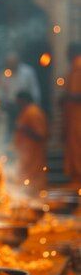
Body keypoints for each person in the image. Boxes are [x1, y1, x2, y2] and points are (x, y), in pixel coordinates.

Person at [0, 53, 41, 137]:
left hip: (25, 107)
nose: (11, 66)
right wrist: (1, 103)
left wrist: (35, 105)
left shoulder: (27, 72)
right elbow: (0, 91)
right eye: (9, 64)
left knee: (26, 129)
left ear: (18, 62)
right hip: (10, 107)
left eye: (13, 64)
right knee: (12, 130)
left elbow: (34, 89)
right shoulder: (4, 74)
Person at [14, 90, 48, 193]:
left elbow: (40, 135)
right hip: (26, 155)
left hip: (33, 155)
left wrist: (25, 129)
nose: (17, 105)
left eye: (18, 101)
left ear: (23, 100)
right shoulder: (26, 112)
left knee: (34, 182)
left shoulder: (33, 112)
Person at [64, 42, 81, 185]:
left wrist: (67, 97)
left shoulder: (78, 66)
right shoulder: (74, 67)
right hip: (73, 117)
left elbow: (77, 95)